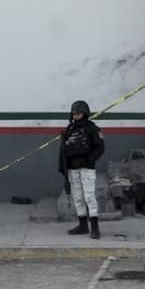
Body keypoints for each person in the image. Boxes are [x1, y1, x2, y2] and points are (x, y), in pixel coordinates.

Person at [58, 99, 105, 239]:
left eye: (78, 113)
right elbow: (64, 149)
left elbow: (100, 147)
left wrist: (90, 159)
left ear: (84, 113)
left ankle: (95, 228)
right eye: (73, 113)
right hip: (73, 168)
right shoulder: (70, 129)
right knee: (77, 197)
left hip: (87, 168)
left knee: (89, 196)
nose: (75, 116)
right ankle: (83, 225)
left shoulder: (92, 128)